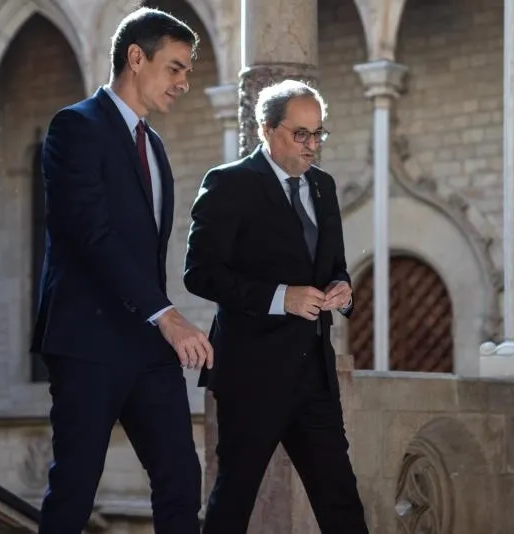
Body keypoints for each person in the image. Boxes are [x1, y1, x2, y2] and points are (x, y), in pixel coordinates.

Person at [30, 7, 212, 534]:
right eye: (175, 68)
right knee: (75, 489)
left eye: (187, 71)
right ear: (136, 57)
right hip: (87, 340)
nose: (184, 82)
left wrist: (159, 321)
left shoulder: (153, 145)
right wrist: (168, 315)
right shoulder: (75, 126)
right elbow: (90, 234)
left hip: (148, 348)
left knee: (180, 479)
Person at [184, 80, 368, 533]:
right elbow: (200, 272)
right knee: (233, 502)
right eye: (300, 134)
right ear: (267, 130)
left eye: (318, 134)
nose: (312, 146)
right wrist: (279, 297)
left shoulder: (323, 188)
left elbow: (335, 267)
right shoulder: (228, 184)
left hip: (315, 379)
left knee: (342, 503)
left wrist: (341, 290)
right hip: (252, 373)